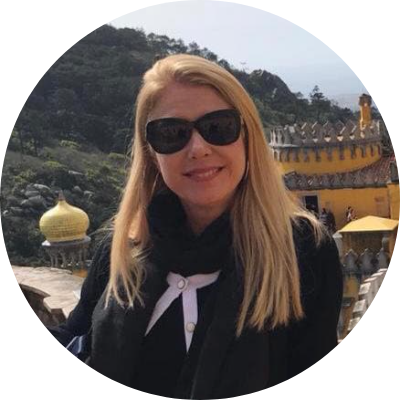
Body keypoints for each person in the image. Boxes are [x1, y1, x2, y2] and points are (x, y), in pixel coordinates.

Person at [47, 54, 343, 398]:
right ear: (152, 153)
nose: (199, 148)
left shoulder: (303, 251)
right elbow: (76, 335)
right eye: (172, 133)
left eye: (218, 127)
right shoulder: (122, 250)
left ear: (247, 136)